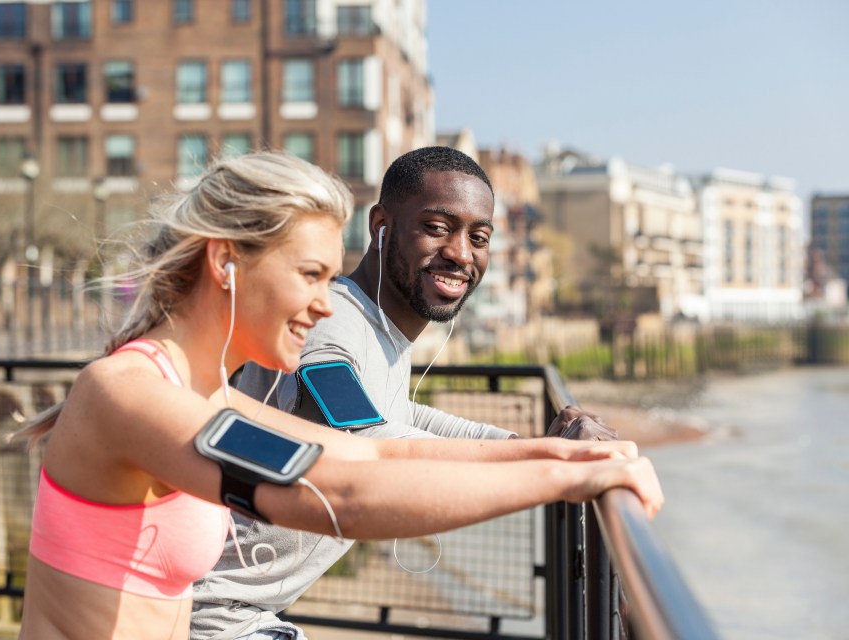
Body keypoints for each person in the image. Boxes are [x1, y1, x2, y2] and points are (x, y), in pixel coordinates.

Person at [12, 151, 662, 640]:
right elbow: (340, 494)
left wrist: (565, 460)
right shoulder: (129, 394)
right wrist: (557, 482)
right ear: (225, 262)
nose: (326, 304)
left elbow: (370, 457)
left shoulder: (201, 398)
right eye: (309, 276)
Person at [190, 147, 618, 640]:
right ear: (381, 225)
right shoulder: (332, 325)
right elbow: (365, 436)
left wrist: (520, 443)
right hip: (213, 612)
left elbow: (400, 412)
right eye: (437, 228)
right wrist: (548, 465)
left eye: (478, 237)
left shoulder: (381, 326)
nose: (461, 252)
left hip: (244, 609)